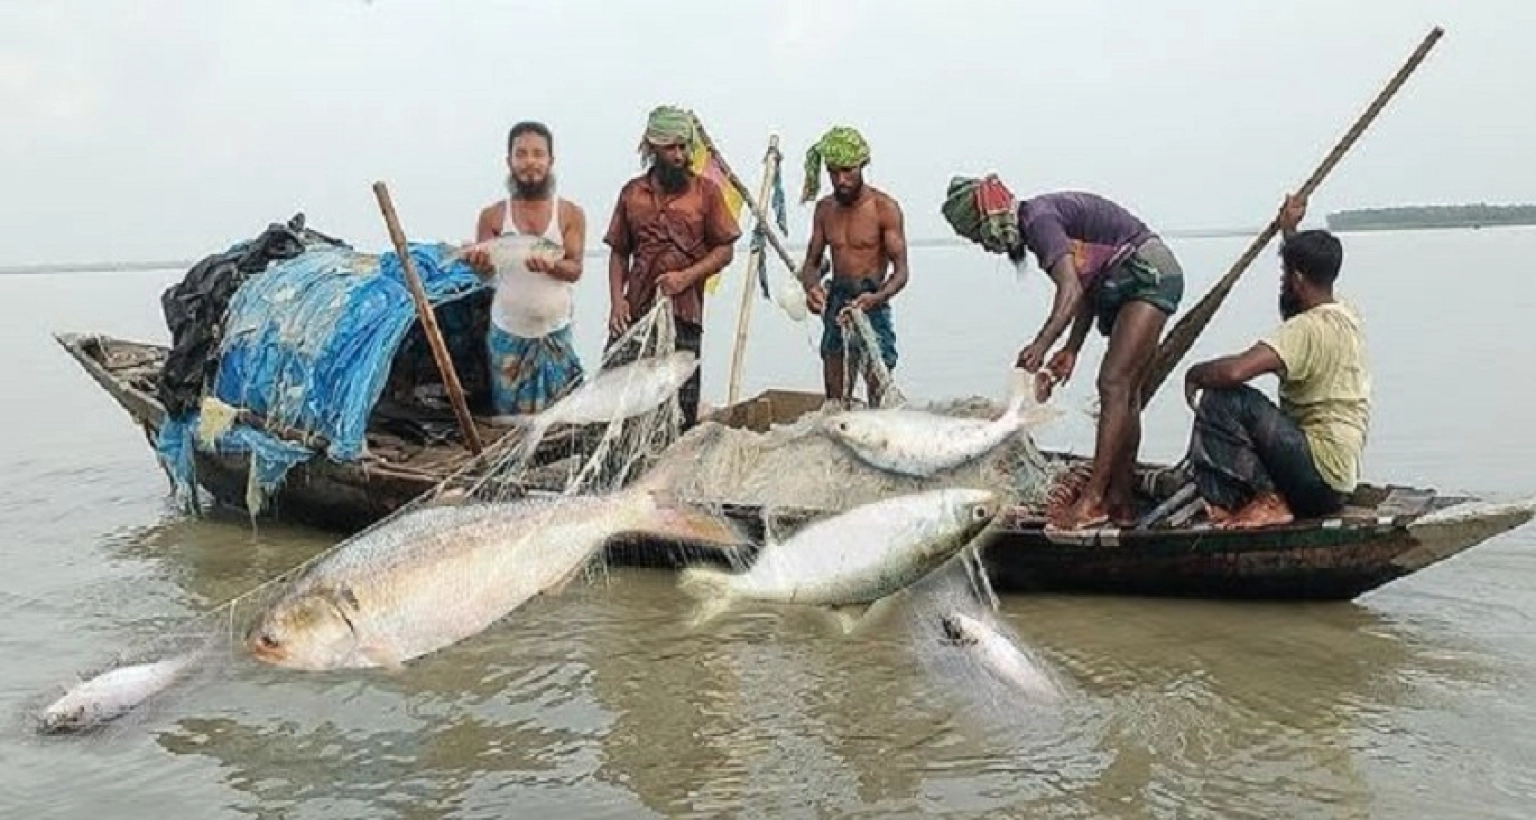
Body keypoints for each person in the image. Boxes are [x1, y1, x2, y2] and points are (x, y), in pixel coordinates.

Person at [942, 175, 1184, 529]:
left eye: (979, 236)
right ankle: (1121, 501)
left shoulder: (1038, 222)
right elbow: (1086, 286)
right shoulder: (1040, 222)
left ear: (990, 219)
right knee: (1126, 392)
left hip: (1148, 274)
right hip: (1135, 278)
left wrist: (1041, 345)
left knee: (1114, 384)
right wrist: (1071, 348)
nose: (986, 246)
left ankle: (1093, 500)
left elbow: (1069, 291)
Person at [1182, 194, 1371, 529]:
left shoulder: (1306, 329)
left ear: (1297, 278)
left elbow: (1236, 371)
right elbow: (1305, 274)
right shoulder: (1347, 315)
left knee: (1223, 397)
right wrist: (1290, 232)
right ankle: (1246, 501)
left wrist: (1195, 374)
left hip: (1317, 478)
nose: (1283, 282)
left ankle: (1268, 500)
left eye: (1286, 275)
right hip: (1339, 480)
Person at [602, 105, 741, 427]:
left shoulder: (706, 192)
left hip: (685, 313)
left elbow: (725, 250)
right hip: (635, 313)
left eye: (683, 147)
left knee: (681, 405)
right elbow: (619, 252)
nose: (679, 156)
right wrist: (616, 302)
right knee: (616, 396)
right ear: (652, 148)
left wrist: (686, 277)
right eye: (671, 148)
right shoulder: (632, 194)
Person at [463, 121, 587, 416]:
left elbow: (574, 269)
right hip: (508, 334)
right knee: (511, 426)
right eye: (521, 154)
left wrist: (551, 267)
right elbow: (486, 274)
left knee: (561, 420)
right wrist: (478, 263)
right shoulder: (493, 216)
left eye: (538, 154)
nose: (530, 161)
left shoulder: (570, 213)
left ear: (550, 161)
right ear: (509, 161)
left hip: (555, 334)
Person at [797, 126, 910, 406]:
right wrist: (812, 288)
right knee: (835, 388)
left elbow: (901, 272)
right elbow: (810, 264)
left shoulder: (884, 208)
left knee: (878, 381)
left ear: (862, 166)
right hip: (837, 299)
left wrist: (877, 297)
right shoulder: (824, 210)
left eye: (847, 171)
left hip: (872, 298)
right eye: (834, 172)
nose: (841, 179)